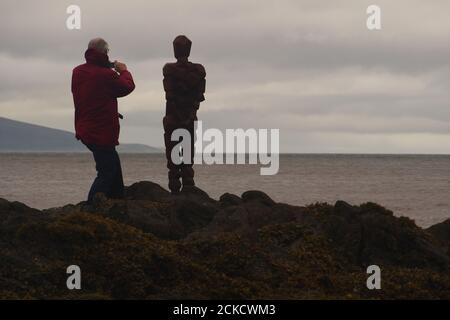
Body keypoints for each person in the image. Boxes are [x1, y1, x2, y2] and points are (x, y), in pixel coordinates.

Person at [71, 38, 135, 203]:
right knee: (107, 171)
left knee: (113, 167)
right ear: (103, 53)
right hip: (101, 131)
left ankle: (117, 201)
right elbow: (126, 87)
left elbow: (95, 83)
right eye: (107, 53)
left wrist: (107, 66)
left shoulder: (78, 72)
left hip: (85, 128)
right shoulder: (105, 75)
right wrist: (124, 71)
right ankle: (92, 207)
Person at [163, 35, 206, 194]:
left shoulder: (169, 69)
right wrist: (189, 114)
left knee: (174, 160)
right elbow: (198, 97)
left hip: (174, 118)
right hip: (188, 117)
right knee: (187, 157)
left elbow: (170, 95)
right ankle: (188, 189)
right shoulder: (198, 70)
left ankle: (176, 191)